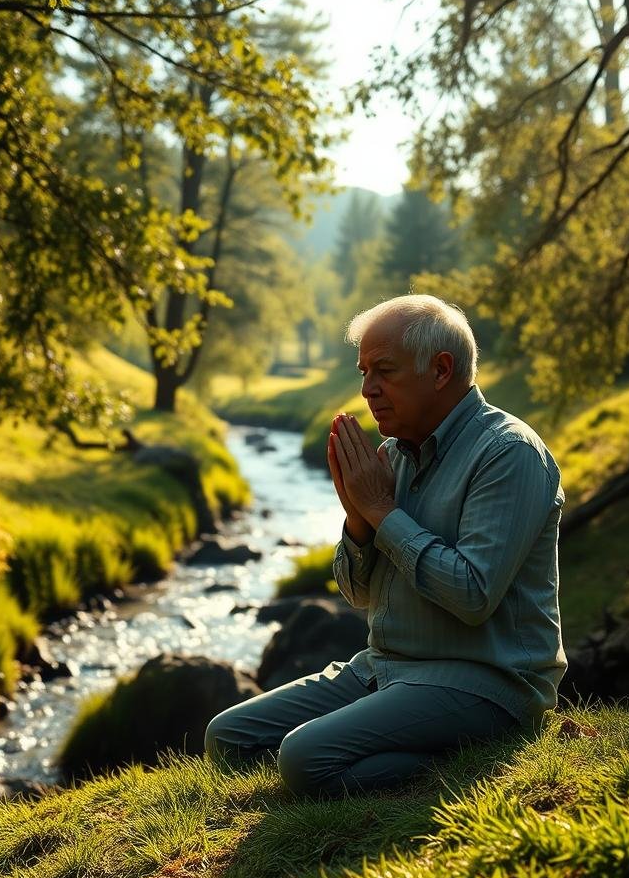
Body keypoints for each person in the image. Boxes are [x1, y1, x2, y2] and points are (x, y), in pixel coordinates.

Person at [204, 294, 566, 796]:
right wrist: (358, 522)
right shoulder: (393, 453)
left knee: (304, 759)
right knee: (229, 737)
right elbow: (359, 596)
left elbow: (473, 595)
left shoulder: (508, 453)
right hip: (384, 667)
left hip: (486, 684)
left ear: (441, 370)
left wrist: (382, 512)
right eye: (363, 372)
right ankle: (424, 751)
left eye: (384, 371)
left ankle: (461, 765)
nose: (367, 389)